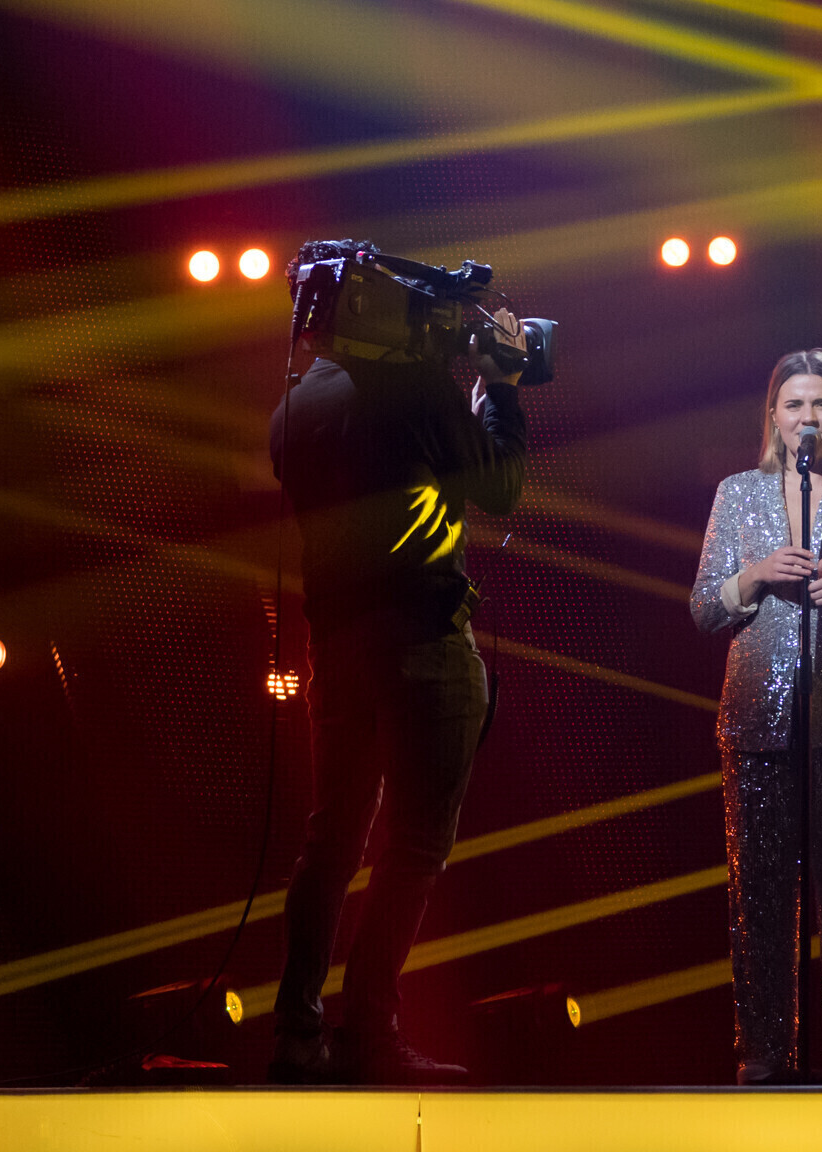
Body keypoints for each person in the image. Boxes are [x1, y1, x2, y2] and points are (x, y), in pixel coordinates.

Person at [266, 239, 528, 1085]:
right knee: (416, 844)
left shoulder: (296, 404)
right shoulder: (414, 387)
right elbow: (499, 486)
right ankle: (369, 1035)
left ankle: (297, 1034)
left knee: (330, 842)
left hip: (337, 648)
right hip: (422, 639)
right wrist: (501, 390)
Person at [690, 349, 822, 1086]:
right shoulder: (737, 493)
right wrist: (753, 576)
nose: (807, 418)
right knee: (759, 897)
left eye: (821, 404)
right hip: (758, 715)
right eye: (794, 405)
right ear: (774, 417)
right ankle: (764, 1057)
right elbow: (703, 607)